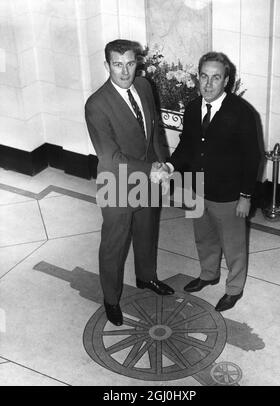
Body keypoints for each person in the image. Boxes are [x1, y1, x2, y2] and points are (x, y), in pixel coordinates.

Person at [157, 51, 261, 312]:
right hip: (198, 189)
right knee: (204, 238)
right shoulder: (193, 108)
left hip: (229, 195)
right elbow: (187, 146)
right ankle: (208, 274)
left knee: (234, 246)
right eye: (204, 76)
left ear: (226, 80)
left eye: (216, 78)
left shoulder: (242, 113)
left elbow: (252, 157)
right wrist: (170, 165)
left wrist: (245, 197)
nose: (209, 84)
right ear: (198, 77)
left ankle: (234, 289)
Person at [85, 39, 174, 326]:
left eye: (130, 63)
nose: (125, 72)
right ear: (107, 65)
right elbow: (111, 158)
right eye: (117, 64)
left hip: (149, 178)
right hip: (117, 185)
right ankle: (111, 299)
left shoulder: (145, 87)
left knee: (147, 232)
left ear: (138, 63)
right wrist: (152, 170)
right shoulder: (97, 105)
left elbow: (154, 131)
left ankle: (146, 277)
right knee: (114, 245)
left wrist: (162, 166)